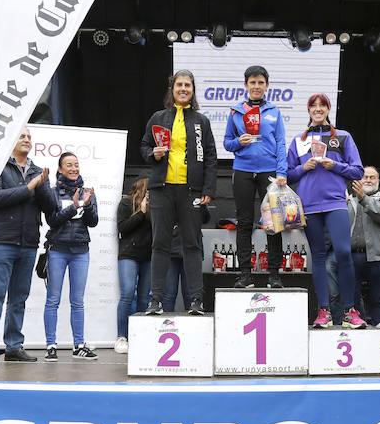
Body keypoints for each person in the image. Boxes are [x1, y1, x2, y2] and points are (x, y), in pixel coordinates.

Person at [140, 69, 217, 315]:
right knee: (159, 244)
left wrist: (208, 188)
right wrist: (153, 154)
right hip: (162, 189)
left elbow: (211, 156)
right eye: (179, 85)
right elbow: (144, 146)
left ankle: (196, 300)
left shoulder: (201, 121)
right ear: (172, 89)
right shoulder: (158, 117)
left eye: (188, 85)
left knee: (192, 245)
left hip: (191, 190)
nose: (183, 89)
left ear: (193, 91)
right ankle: (156, 300)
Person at [287, 93, 365, 329]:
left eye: (322, 105)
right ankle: (324, 312)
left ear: (328, 109)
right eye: (314, 105)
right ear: (309, 110)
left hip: (335, 203)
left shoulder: (342, 137)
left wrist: (336, 165)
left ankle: (350, 311)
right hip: (309, 205)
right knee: (318, 257)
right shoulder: (298, 141)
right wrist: (303, 167)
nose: (318, 109)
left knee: (343, 252)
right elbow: (288, 175)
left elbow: (358, 171)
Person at [0, 128, 54, 370]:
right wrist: (29, 187)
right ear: (10, 140)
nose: (26, 139)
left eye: (29, 137)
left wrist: (40, 185)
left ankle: (13, 347)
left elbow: (51, 207)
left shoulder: (37, 171)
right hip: (1, 241)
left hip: (28, 243)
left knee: (19, 298)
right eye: (22, 136)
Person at [224, 65, 287, 289]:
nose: (257, 86)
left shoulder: (274, 111)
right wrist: (238, 142)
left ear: (267, 85)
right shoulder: (235, 111)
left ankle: (274, 274)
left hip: (269, 172)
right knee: (244, 222)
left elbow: (280, 143)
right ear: (246, 86)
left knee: (273, 223)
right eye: (252, 82)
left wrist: (281, 172)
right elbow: (227, 143)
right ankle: (244, 275)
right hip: (242, 170)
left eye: (261, 82)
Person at [43, 152, 99, 361]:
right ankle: (51, 346)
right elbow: (52, 221)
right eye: (69, 165)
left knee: (77, 301)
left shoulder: (87, 191)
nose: (74, 168)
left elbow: (93, 222)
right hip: (58, 250)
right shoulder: (52, 192)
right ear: (60, 169)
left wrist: (88, 204)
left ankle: (79, 345)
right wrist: (74, 207)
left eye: (76, 164)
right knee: (53, 300)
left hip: (80, 252)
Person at [348, 166, 380, 326]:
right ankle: (361, 332)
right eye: (365, 177)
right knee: (352, 297)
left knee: (378, 298)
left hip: (378, 255)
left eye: (372, 177)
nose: (368, 180)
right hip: (353, 255)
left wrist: (363, 199)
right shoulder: (348, 199)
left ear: (378, 181)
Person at [115, 176, 151, 354]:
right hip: (129, 254)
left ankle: (141, 335)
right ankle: (121, 337)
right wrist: (141, 213)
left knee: (144, 298)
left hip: (149, 256)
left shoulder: (156, 207)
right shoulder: (126, 203)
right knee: (128, 293)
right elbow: (123, 228)